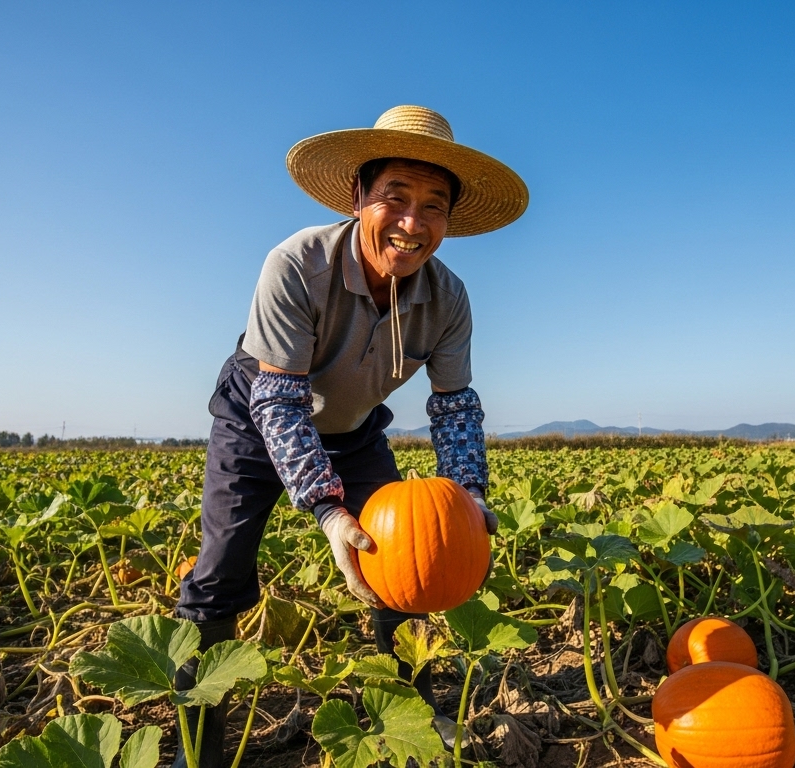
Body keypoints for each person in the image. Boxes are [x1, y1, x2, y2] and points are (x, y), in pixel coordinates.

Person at [171, 105, 528, 767]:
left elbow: (453, 408)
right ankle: (202, 753)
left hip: (355, 428)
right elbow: (278, 402)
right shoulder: (297, 265)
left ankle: (408, 718)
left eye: (433, 206)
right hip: (257, 416)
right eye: (395, 197)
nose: (412, 223)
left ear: (449, 220)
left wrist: (469, 496)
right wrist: (329, 513)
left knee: (402, 568)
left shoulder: (448, 299)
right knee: (219, 578)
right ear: (359, 198)